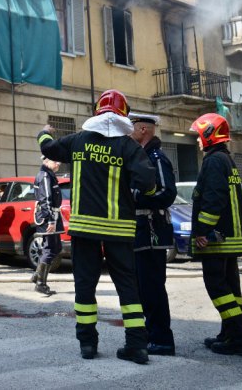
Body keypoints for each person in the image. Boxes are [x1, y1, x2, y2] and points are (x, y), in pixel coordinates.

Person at [38, 89, 157, 364]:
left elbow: (48, 148)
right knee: (127, 286)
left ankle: (88, 344)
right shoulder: (127, 146)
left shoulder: (78, 140)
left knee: (85, 285)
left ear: (96, 112)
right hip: (119, 230)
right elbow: (148, 182)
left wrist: (43, 132)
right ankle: (137, 346)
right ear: (123, 115)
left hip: (85, 229)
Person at [189, 112, 242, 356]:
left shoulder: (214, 161)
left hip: (218, 239)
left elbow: (213, 199)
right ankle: (228, 333)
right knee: (231, 287)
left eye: (199, 135)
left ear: (209, 134)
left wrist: (202, 230)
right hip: (230, 236)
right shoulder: (226, 159)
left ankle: (239, 336)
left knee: (216, 286)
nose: (197, 140)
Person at [128, 112, 178, 356]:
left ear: (143, 129)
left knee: (153, 288)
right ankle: (152, 334)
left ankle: (162, 340)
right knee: (143, 288)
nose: (128, 131)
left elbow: (167, 193)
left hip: (152, 232)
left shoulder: (156, 157)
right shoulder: (141, 156)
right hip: (140, 234)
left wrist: (135, 197)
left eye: (131, 126)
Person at [31, 155, 64, 296]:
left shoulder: (49, 174)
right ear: (46, 161)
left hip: (53, 215)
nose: (58, 163)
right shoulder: (45, 175)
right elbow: (46, 199)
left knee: (56, 247)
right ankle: (40, 284)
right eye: (55, 160)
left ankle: (37, 275)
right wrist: (51, 220)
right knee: (50, 249)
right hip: (48, 217)